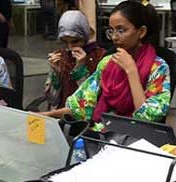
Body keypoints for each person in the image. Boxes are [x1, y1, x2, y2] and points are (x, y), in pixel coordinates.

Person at [62, 1, 170, 129]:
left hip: (136, 139)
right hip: (101, 133)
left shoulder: (158, 68)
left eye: (121, 30)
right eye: (111, 31)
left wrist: (131, 71)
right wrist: (44, 115)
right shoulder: (108, 62)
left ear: (141, 32)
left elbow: (146, 119)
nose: (114, 37)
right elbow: (79, 106)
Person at [40, 10, 106, 118]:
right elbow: (52, 100)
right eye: (65, 42)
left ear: (85, 36)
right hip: (60, 117)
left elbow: (93, 101)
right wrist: (56, 74)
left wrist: (80, 70)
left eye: (75, 41)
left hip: (87, 120)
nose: (70, 47)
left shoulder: (100, 57)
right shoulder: (59, 56)